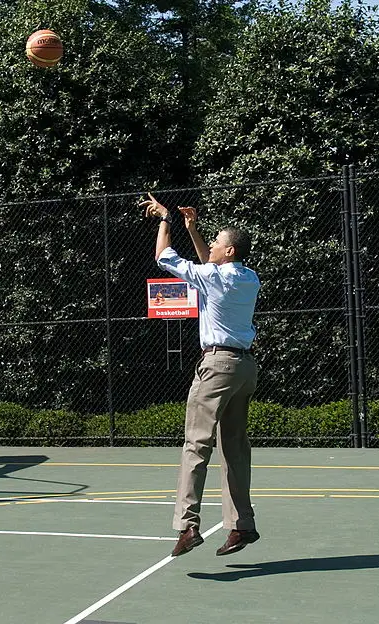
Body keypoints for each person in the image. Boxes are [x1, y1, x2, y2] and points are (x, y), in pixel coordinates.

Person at [140, 193, 262, 558]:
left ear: (228, 251)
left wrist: (167, 220)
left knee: (196, 445)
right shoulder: (249, 277)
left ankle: (187, 525)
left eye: (217, 241)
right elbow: (210, 265)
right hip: (245, 368)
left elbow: (163, 256)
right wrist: (195, 231)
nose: (211, 243)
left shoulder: (213, 277)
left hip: (216, 368)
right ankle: (242, 526)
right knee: (235, 449)